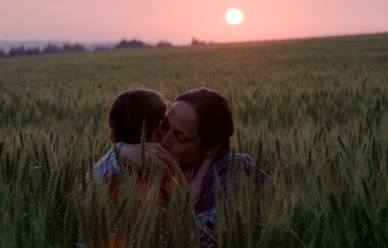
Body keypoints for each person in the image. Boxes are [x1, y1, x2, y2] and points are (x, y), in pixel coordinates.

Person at [100, 88, 271, 244]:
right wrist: (120, 152)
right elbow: (84, 193)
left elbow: (190, 240)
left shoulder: (231, 181)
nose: (164, 141)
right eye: (165, 126)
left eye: (179, 137)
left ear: (211, 146)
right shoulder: (144, 165)